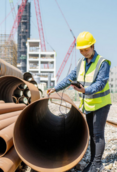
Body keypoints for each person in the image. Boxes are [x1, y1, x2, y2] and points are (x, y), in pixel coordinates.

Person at [48, 31, 111, 172]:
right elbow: (69, 78)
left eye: (86, 49)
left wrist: (85, 90)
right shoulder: (80, 63)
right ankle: (93, 162)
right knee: (91, 134)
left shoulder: (103, 63)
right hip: (89, 104)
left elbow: (100, 83)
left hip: (101, 104)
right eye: (81, 50)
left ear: (93, 46)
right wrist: (56, 88)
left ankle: (97, 163)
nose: (83, 52)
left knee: (98, 134)